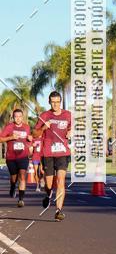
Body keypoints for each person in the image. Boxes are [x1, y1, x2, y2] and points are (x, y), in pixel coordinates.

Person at [34, 90, 72, 221]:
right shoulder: (45, 115)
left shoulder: (68, 115)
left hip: (63, 153)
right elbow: (35, 134)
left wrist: (70, 132)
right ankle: (48, 196)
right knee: (49, 185)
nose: (55, 105)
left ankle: (58, 210)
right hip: (48, 153)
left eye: (57, 102)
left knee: (61, 181)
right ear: (49, 102)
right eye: (53, 102)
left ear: (60, 102)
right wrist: (44, 127)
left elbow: (72, 128)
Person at [0, 109, 33, 208]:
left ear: (22, 117)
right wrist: (11, 137)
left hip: (23, 156)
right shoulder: (9, 127)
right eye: (16, 116)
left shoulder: (26, 127)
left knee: (22, 176)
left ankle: (21, 199)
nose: (18, 118)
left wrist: (30, 140)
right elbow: (1, 139)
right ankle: (13, 186)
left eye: (20, 116)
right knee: (14, 177)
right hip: (11, 157)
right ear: (13, 117)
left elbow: (29, 141)